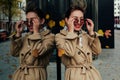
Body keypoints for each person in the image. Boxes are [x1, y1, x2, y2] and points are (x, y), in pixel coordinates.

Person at [55, 6, 102, 80]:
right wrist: (70, 32)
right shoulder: (59, 37)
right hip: (74, 76)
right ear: (67, 20)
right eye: (75, 19)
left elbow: (97, 51)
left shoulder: (85, 35)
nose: (79, 22)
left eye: (81, 19)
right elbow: (70, 52)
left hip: (91, 75)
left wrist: (91, 33)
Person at [9, 6, 55, 80]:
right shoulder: (26, 36)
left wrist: (36, 32)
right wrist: (18, 34)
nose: (29, 23)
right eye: (27, 21)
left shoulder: (49, 37)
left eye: (33, 20)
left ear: (42, 21)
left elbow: (37, 52)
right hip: (20, 76)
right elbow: (14, 53)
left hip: (36, 75)